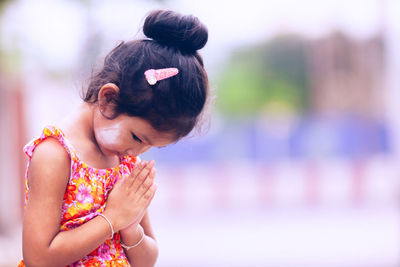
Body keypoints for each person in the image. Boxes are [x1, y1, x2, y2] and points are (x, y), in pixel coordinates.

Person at [18, 9, 209, 267]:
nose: (138, 152)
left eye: (153, 146)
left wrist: (130, 226)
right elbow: (38, 258)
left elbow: (147, 260)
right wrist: (112, 218)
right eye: (138, 137)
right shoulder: (56, 155)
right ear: (109, 99)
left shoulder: (124, 162)